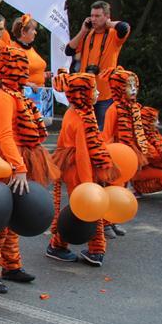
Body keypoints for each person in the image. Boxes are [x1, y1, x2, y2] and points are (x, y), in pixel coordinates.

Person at [0, 45, 59, 293]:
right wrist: (18, 167)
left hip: (19, 160)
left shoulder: (15, 94)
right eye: (20, 66)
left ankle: (11, 265)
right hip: (5, 162)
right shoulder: (2, 96)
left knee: (15, 216)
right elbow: (4, 136)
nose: (25, 70)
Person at [46, 72, 117, 266]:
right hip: (77, 169)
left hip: (76, 167)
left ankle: (69, 245)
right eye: (93, 89)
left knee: (83, 208)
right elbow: (83, 154)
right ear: (82, 93)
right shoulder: (81, 118)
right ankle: (85, 248)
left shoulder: (80, 112)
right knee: (87, 207)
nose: (97, 92)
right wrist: (88, 184)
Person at [102, 67, 162, 206]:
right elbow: (107, 135)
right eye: (128, 86)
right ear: (118, 88)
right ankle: (127, 185)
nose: (133, 89)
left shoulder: (136, 108)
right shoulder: (113, 110)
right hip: (123, 154)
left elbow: (147, 133)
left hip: (141, 151)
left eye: (134, 85)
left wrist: (161, 150)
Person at [66, 1, 130, 126]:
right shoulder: (87, 34)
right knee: (83, 131)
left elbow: (124, 27)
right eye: (92, 16)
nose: (93, 19)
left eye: (97, 16)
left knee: (102, 134)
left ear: (106, 16)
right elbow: (69, 50)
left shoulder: (113, 34)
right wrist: (83, 31)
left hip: (105, 95)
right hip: (85, 94)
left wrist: (109, 24)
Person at [11, 14, 47, 88]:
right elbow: (11, 75)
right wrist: (28, 84)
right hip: (24, 95)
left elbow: (33, 71)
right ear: (23, 32)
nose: (35, 33)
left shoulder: (29, 48)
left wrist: (44, 75)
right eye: (33, 30)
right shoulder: (14, 50)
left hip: (39, 95)